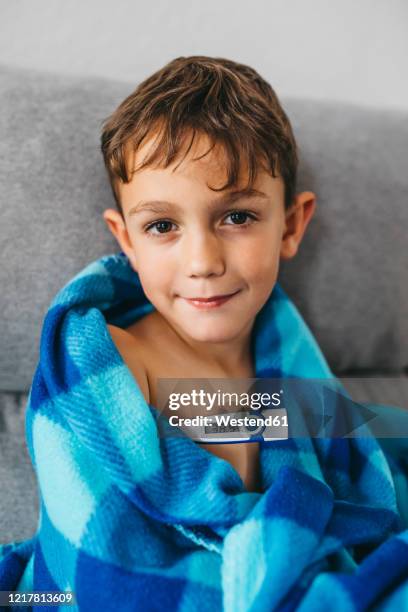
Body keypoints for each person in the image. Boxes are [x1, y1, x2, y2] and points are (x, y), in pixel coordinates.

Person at [100, 55, 316, 492]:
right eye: (162, 226)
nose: (202, 263)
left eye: (237, 217)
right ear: (127, 242)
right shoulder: (121, 361)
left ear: (290, 228)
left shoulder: (296, 366)